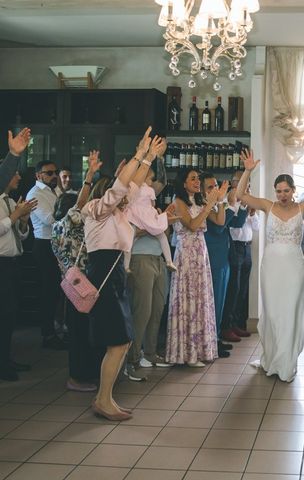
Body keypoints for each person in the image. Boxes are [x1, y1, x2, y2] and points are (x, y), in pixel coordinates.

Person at [82, 127, 163, 421]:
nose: (130, 196)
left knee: (123, 340)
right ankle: (103, 399)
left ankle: (106, 397)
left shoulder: (118, 213)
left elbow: (133, 185)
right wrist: (139, 154)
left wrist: (148, 160)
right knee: (117, 341)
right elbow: (122, 185)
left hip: (114, 274)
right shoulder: (98, 209)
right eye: (121, 193)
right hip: (103, 274)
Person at [236, 149, 304, 382]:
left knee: (290, 311)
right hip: (272, 266)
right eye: (278, 191)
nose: (282, 195)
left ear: (293, 190)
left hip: (294, 266)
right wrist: (247, 171)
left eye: (286, 191)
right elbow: (240, 196)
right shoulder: (268, 205)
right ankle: (272, 358)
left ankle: (286, 363)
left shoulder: (303, 207)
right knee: (274, 313)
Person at [51, 150, 103, 392]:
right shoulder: (68, 224)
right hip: (82, 283)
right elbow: (81, 203)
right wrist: (90, 175)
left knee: (79, 330)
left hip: (70, 285)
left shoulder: (55, 231)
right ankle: (78, 377)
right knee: (82, 333)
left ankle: (83, 373)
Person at [165, 168, 227, 367]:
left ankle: (199, 349)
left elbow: (219, 221)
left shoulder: (199, 202)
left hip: (201, 253)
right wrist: (209, 204)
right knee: (187, 299)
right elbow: (192, 225)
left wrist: (221, 201)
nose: (197, 182)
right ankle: (186, 353)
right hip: (186, 253)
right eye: (192, 179)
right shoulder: (179, 202)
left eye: (198, 179)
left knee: (200, 299)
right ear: (183, 183)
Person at [125, 143, 177, 381]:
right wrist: (151, 225)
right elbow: (131, 233)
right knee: (141, 311)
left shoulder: (148, 197)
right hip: (140, 258)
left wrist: (159, 158)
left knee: (157, 308)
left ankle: (151, 352)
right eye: (147, 175)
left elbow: (162, 182)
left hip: (158, 259)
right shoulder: (130, 195)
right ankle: (131, 360)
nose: (151, 180)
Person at [0, 129, 37, 381]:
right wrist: (13, 154)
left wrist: (21, 220)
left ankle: (6, 359)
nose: (16, 176)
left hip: (11, 263)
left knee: (10, 314)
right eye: (13, 172)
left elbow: (20, 235)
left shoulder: (9, 200)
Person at [202, 174, 247, 352]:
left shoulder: (218, 206)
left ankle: (217, 335)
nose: (215, 189)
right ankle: (212, 339)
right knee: (214, 301)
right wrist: (229, 203)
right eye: (210, 187)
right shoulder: (206, 209)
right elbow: (219, 226)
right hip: (213, 258)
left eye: (216, 186)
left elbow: (237, 222)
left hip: (224, 258)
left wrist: (241, 204)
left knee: (221, 301)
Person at [26, 159, 65, 350]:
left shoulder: (54, 190)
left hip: (57, 244)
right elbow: (50, 219)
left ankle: (57, 329)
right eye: (49, 173)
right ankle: (47, 334)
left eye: (55, 172)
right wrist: (70, 213)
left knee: (58, 290)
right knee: (49, 290)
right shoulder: (35, 194)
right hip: (43, 244)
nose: (54, 176)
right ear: (38, 175)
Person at [123, 165, 177, 274]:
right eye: (150, 179)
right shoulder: (149, 190)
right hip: (147, 216)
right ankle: (169, 261)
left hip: (134, 217)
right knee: (161, 236)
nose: (151, 182)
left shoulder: (130, 189)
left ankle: (126, 265)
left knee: (129, 242)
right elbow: (152, 203)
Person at [223, 199, 260, 338]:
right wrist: (242, 210)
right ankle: (227, 325)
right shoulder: (230, 204)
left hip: (247, 248)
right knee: (234, 288)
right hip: (235, 246)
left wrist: (252, 214)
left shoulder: (250, 207)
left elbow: (257, 227)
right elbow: (234, 227)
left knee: (243, 288)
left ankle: (237, 323)